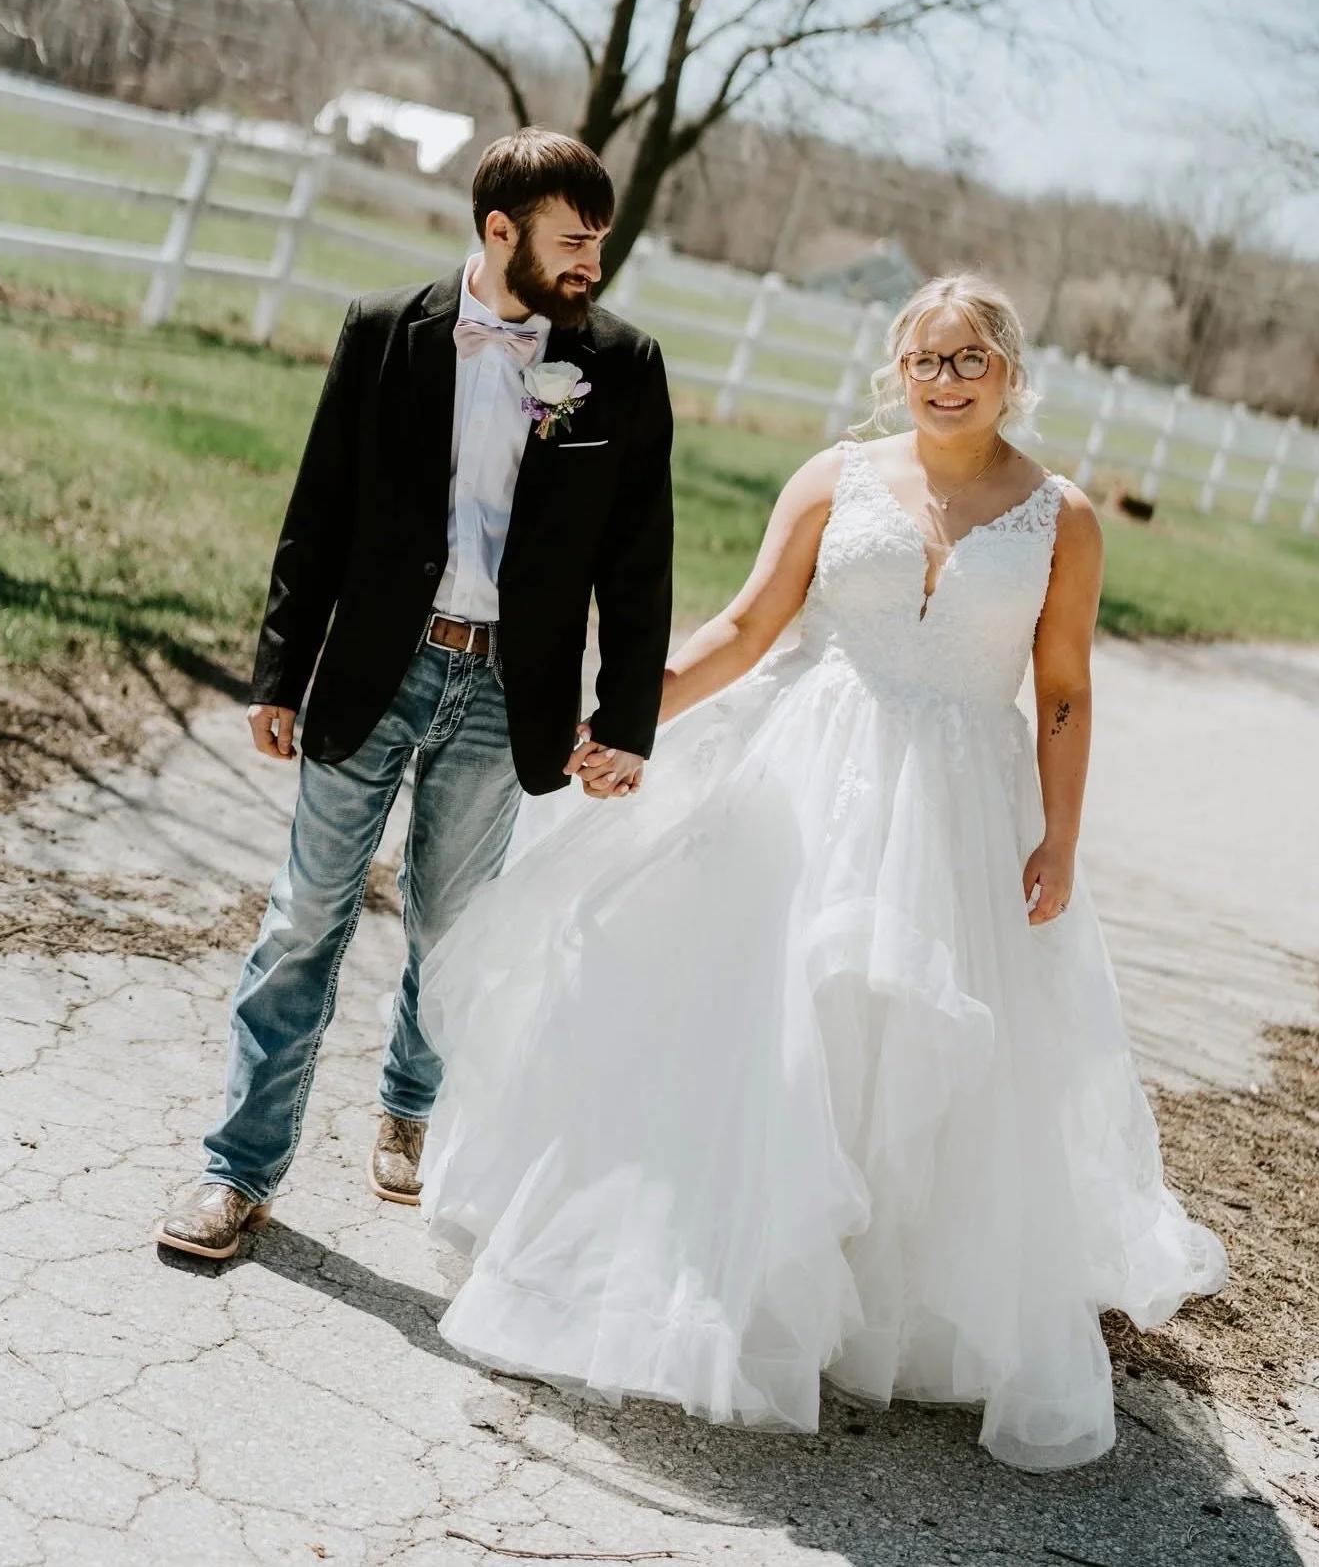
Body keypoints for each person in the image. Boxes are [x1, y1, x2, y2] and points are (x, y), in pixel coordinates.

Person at [411, 272, 1227, 1472]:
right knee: (772, 1028)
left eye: (970, 358)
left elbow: (1062, 687)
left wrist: (1059, 836)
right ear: (897, 369)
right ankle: (727, 1283)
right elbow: (747, 626)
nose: (946, 379)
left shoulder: (1063, 518)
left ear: (1010, 372)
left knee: (908, 1055)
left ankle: (867, 1296)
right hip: (807, 779)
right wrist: (632, 717)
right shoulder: (833, 478)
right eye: (926, 358)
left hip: (959, 810)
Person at [155, 128, 674, 1262]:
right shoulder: (384, 330)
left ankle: (408, 1101)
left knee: (451, 928)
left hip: (508, 690)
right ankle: (236, 1170)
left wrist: (627, 720)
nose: (592, 262)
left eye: (598, 240)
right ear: (500, 231)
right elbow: (319, 511)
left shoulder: (623, 365)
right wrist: (280, 670)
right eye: (571, 241)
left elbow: (639, 558)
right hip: (375, 669)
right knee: (305, 918)